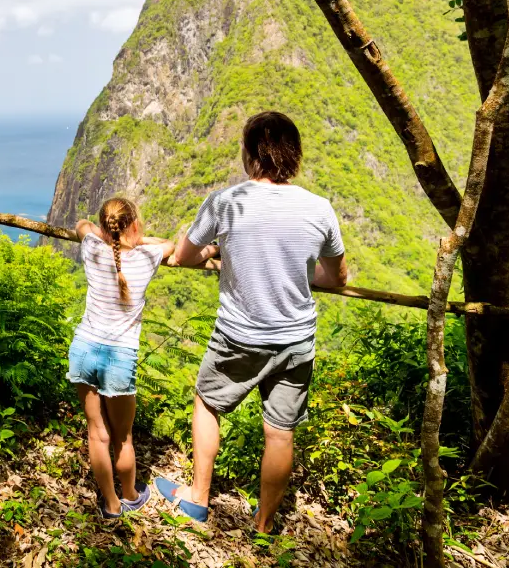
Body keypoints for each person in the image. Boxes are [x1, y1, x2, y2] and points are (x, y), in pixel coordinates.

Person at [155, 111, 348, 532]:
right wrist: (298, 271)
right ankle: (262, 525)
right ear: (293, 154)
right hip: (296, 340)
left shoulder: (225, 202)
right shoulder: (320, 208)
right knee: (279, 432)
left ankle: (198, 498)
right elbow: (335, 277)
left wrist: (214, 255)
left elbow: (185, 255)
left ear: (250, 154)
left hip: (239, 337)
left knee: (207, 403)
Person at [68, 197, 175, 518]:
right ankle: (130, 494)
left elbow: (80, 226)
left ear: (104, 227)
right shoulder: (147, 256)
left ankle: (111, 504)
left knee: (96, 432)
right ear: (134, 225)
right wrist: (138, 239)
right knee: (123, 438)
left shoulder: (92, 248)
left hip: (83, 348)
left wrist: (107, 235)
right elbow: (172, 244)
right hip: (119, 357)